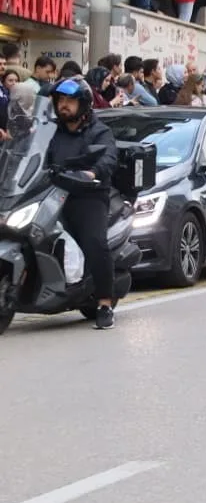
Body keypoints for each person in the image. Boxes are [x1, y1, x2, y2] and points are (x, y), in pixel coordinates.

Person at [42, 77, 120, 329]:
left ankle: (105, 303)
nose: (63, 106)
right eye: (60, 100)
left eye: (70, 101)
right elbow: (34, 153)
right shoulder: (50, 130)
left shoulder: (99, 132)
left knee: (94, 241)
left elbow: (109, 157)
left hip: (87, 195)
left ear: (84, 104)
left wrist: (94, 172)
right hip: (52, 193)